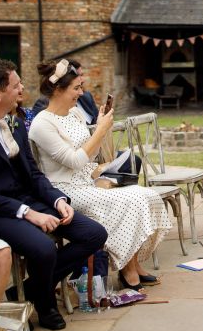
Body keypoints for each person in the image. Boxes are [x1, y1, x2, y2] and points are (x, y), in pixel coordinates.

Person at [0, 60, 107, 331]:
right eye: (16, 84)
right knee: (43, 249)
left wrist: (58, 201)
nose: (22, 88)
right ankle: (45, 306)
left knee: (94, 234)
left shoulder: (16, 121)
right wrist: (28, 213)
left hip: (32, 199)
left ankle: (34, 287)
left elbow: (33, 174)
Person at [28, 59, 172, 291]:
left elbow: (91, 154)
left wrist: (97, 128)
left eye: (81, 86)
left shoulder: (74, 114)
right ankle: (127, 270)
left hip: (87, 181)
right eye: (76, 88)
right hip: (65, 190)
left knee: (146, 195)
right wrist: (102, 129)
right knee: (132, 200)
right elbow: (74, 161)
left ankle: (132, 264)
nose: (81, 93)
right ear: (57, 90)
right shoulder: (41, 124)